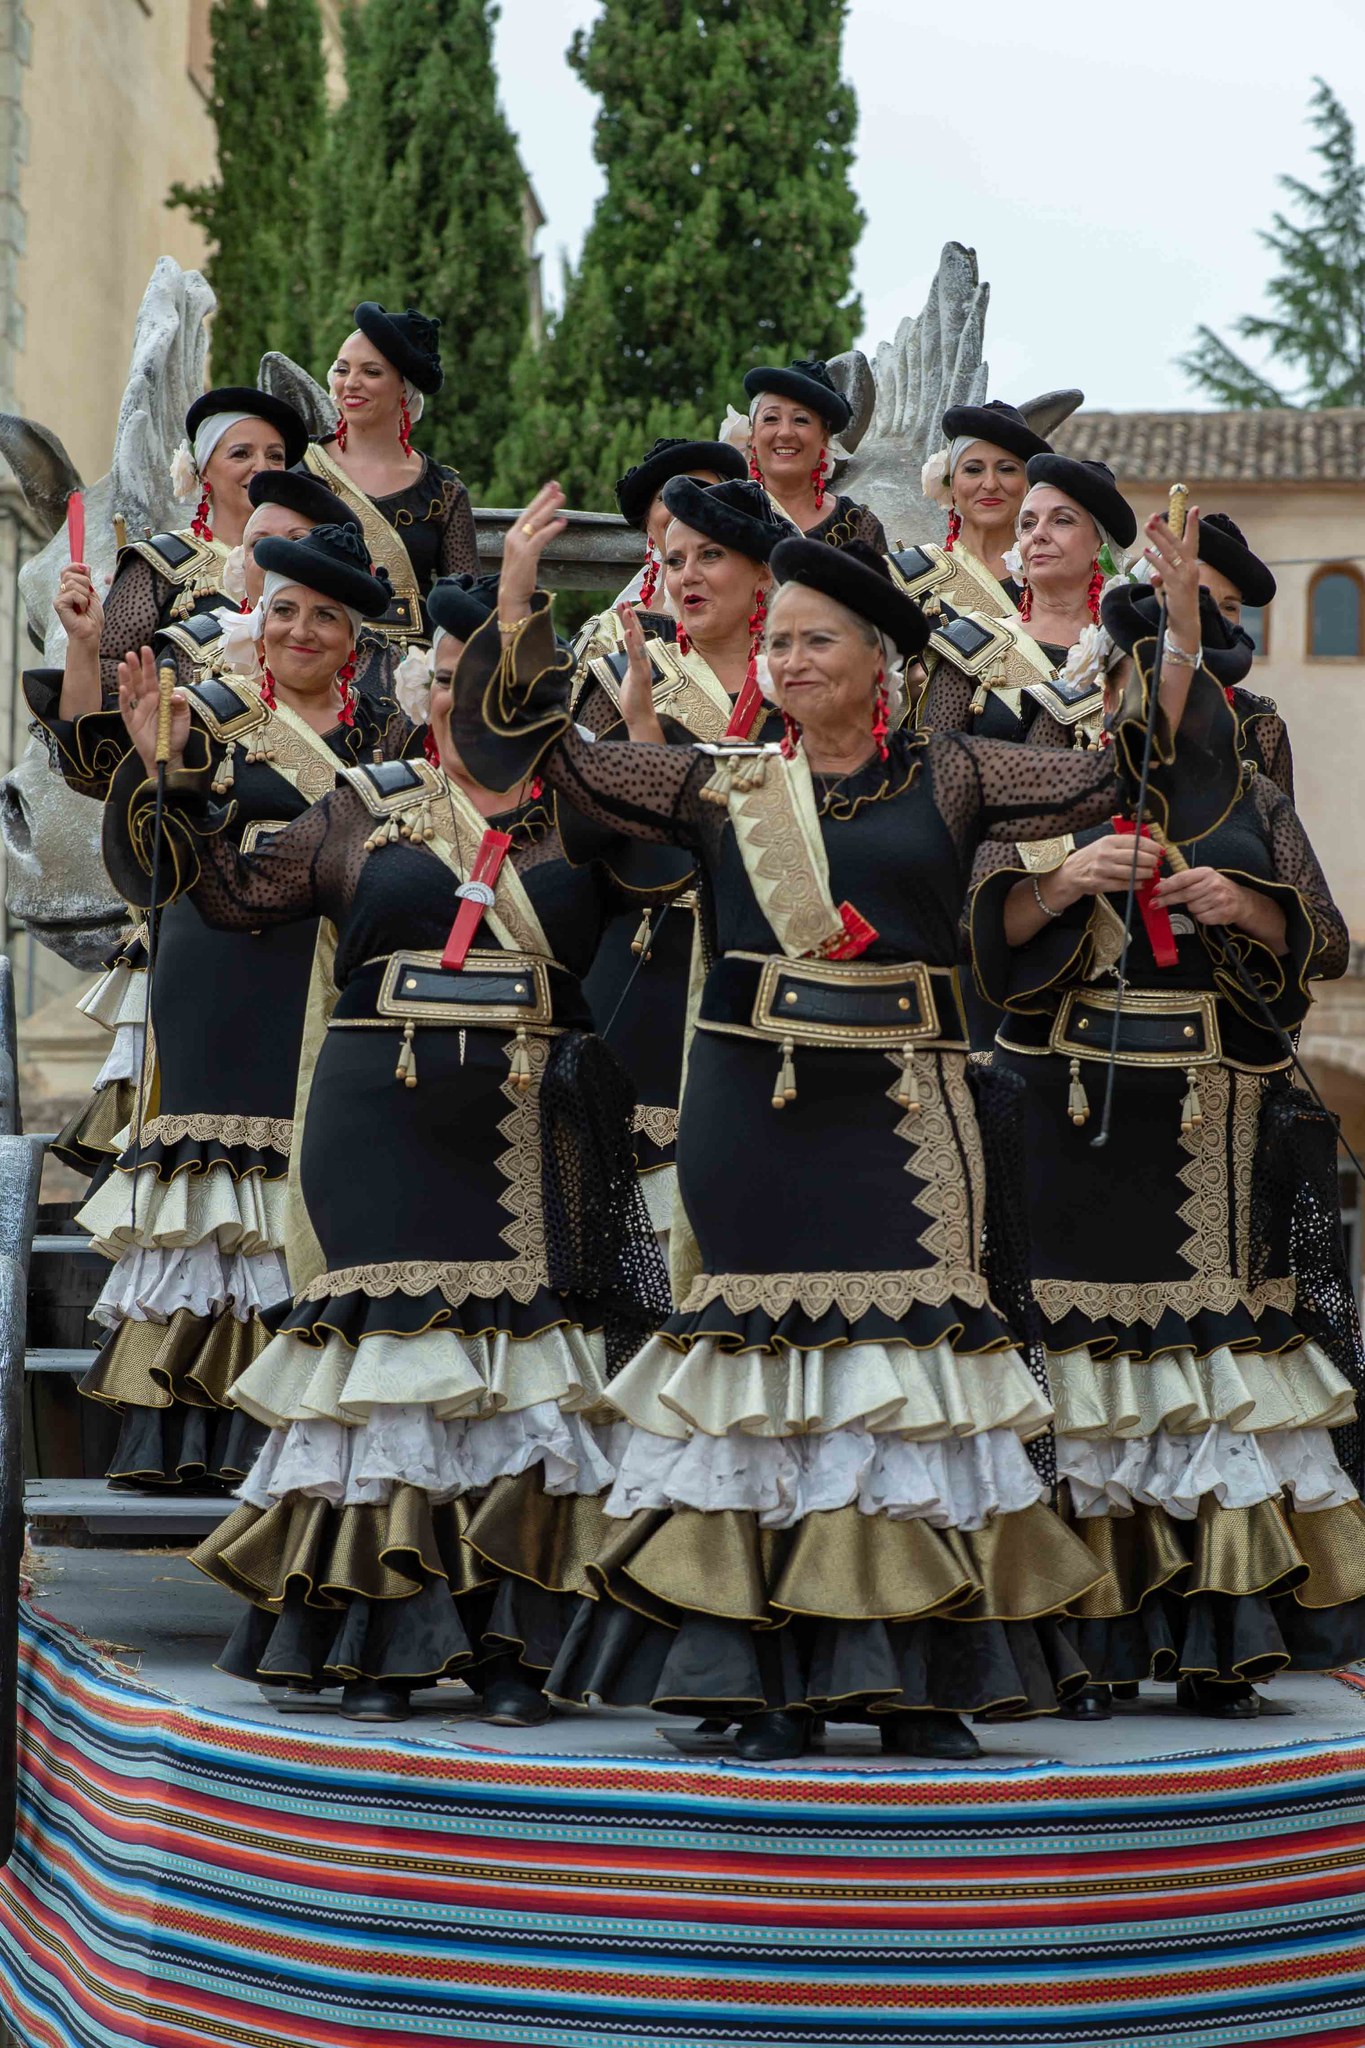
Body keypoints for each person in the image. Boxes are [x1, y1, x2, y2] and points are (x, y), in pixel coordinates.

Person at [446, 482, 1207, 1763]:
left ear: (883, 663)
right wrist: (518, 605)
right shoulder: (719, 783)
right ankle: (761, 1680)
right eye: (780, 640)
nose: (791, 660)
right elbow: (544, 760)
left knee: (905, 1380)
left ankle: (913, 1678)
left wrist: (1173, 633)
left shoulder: (956, 772)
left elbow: (1123, 774)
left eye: (818, 640)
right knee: (765, 1383)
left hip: (909, 1117)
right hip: (755, 1117)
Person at [104, 566, 668, 1724]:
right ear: (421, 693)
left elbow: (690, 877)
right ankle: (377, 1641)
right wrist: (166, 776)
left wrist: (645, 739)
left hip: (531, 1121)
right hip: (379, 1119)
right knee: (392, 1368)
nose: (470, 701)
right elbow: (229, 894)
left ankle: (510, 1650)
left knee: (520, 1375)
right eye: (451, 679)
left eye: (499, 682)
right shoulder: (366, 803)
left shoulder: (583, 820)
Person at [968, 569, 1365, 1718]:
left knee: (1203, 1375)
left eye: (1179, 670)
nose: (1158, 693)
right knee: (1078, 1370)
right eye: (1140, 672)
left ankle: (1213, 1638)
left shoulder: (1252, 795)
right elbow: (981, 928)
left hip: (1209, 1116)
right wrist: (1064, 880)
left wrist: (1249, 908)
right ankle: (1083, 1639)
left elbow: (1324, 938)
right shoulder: (1051, 781)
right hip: (1068, 1110)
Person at [75, 523, 404, 1492]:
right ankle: (186, 1436)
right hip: (215, 972)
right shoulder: (204, 713)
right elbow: (147, 861)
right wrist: (159, 769)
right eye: (286, 610)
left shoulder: (389, 741)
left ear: (354, 641)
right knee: (215, 1189)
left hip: (329, 979)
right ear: (259, 620)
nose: (302, 631)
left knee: (314, 1178)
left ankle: (295, 1432)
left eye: (326, 617)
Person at [572, 477, 787, 1247]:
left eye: (711, 556)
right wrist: (640, 733)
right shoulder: (620, 677)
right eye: (674, 560)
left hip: (770, 981)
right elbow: (578, 832)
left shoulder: (809, 682)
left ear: (762, 573)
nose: (687, 575)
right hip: (644, 971)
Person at [52, 386, 309, 724]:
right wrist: (172, 690)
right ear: (203, 470)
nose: (262, 467)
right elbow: (103, 670)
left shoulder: (311, 567)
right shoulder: (159, 562)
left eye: (275, 456)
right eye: (241, 454)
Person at [917, 453, 1138, 748]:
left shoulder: (1128, 656)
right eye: (1028, 523)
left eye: (1061, 521)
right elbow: (933, 761)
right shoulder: (970, 644)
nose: (1038, 534)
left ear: (1100, 546)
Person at [306, 301, 478, 651]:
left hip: (410, 665)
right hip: (313, 652)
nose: (351, 383)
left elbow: (465, 603)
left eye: (371, 372)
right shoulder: (302, 467)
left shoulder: (443, 491)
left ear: (405, 388)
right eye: (342, 369)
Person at [575, 434, 750, 665]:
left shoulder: (769, 626)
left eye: (704, 491)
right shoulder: (607, 637)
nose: (683, 504)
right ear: (648, 523)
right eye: (666, 496)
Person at [743, 358, 888, 552]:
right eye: (771, 418)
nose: (785, 433)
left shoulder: (855, 524)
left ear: (824, 438)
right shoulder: (726, 512)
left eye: (801, 420)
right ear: (752, 435)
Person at [1195, 511, 1293, 798]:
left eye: (1229, 607)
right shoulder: (1122, 706)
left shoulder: (1261, 727)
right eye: (1199, 600)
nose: (1214, 617)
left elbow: (1282, 823)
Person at [918, 399, 1054, 591]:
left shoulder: (1057, 579)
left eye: (1006, 469)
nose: (990, 485)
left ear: (1027, 485)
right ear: (952, 483)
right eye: (973, 470)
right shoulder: (917, 579)